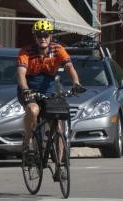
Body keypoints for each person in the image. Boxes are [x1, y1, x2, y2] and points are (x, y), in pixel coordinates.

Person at [15, 19, 86, 178]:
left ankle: (60, 165)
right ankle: (28, 142)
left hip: (48, 90)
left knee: (58, 125)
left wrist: (76, 83)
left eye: (46, 35)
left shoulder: (57, 49)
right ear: (35, 37)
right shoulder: (26, 52)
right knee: (33, 110)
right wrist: (26, 90)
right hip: (29, 89)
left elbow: (69, 67)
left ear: (51, 36)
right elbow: (20, 74)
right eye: (39, 35)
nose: (43, 38)